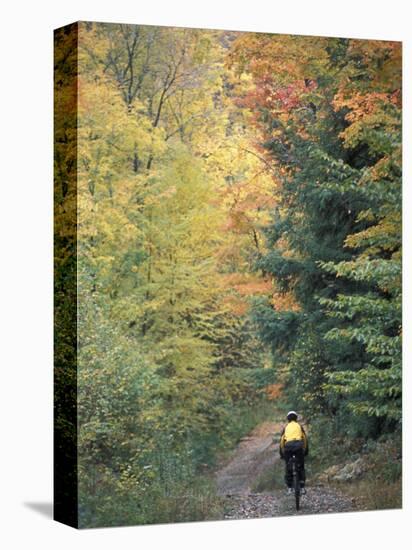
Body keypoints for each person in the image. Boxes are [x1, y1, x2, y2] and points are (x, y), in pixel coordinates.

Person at [279, 411, 309, 494]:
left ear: (288, 419)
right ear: (296, 418)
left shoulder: (286, 427)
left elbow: (282, 441)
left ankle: (289, 488)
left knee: (288, 466)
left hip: (288, 447)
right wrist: (305, 450)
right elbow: (305, 439)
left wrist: (282, 453)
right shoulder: (299, 426)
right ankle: (302, 487)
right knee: (301, 465)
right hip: (299, 446)